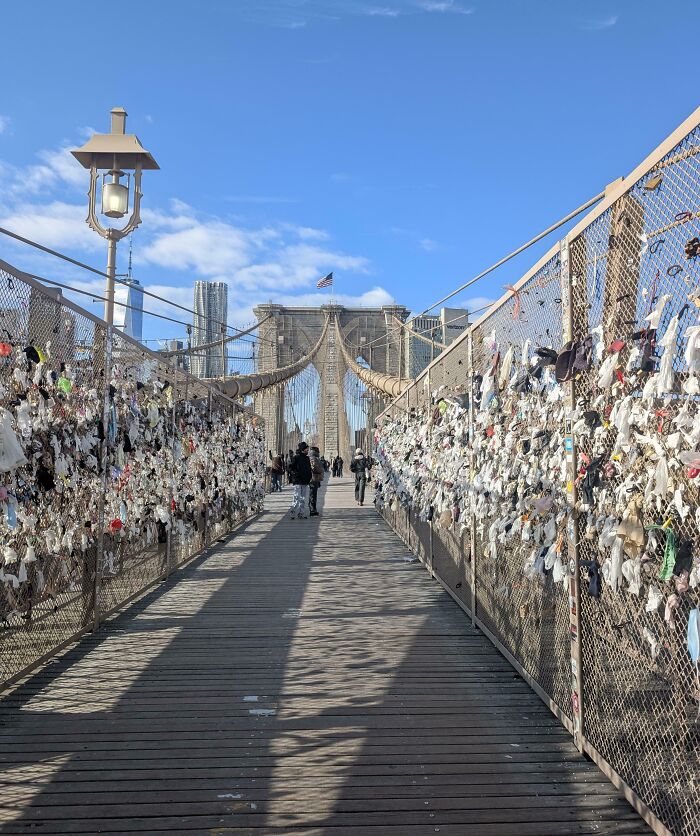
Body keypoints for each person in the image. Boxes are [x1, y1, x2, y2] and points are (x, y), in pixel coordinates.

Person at [288, 441, 312, 519]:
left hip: (305, 481)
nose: (307, 450)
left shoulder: (307, 458)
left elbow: (308, 469)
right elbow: (291, 467)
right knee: (297, 497)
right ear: (303, 449)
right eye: (306, 449)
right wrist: (295, 475)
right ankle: (293, 511)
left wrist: (309, 477)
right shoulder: (296, 457)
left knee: (303, 498)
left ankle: (301, 513)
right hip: (298, 481)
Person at [308, 446, 324, 516]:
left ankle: (313, 509)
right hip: (313, 478)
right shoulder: (313, 458)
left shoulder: (313, 458)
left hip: (315, 478)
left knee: (313, 494)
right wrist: (321, 470)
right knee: (313, 494)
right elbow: (314, 468)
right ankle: (312, 510)